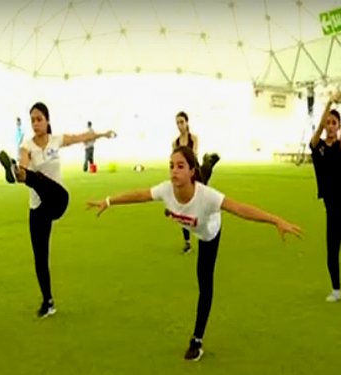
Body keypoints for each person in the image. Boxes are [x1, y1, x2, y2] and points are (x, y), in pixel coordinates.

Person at [86, 146, 302, 361]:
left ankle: (197, 340)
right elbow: (141, 195)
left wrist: (276, 220)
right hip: (190, 220)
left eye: (180, 166)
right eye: (171, 166)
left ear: (191, 171)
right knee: (185, 203)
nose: (174, 171)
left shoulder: (208, 197)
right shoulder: (166, 190)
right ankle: (204, 169)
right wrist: (108, 201)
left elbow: (239, 209)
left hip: (209, 233)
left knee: (205, 283)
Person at [0, 102, 115, 317]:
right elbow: (25, 161)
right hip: (39, 208)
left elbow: (81, 137)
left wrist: (103, 134)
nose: (35, 124)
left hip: (58, 199)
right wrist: (21, 170)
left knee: (36, 178)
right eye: (32, 120)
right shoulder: (26, 146)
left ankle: (19, 174)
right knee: (40, 257)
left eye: (39, 119)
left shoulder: (56, 140)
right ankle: (48, 301)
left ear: (47, 121)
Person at [309, 92, 341, 302]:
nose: (330, 126)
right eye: (328, 123)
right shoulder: (318, 146)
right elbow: (317, 133)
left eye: (334, 123)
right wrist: (329, 103)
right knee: (332, 246)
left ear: (338, 126)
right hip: (331, 202)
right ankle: (336, 289)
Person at [172, 111, 221, 254]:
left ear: (187, 123)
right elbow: (174, 160)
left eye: (182, 122)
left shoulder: (193, 139)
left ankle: (209, 161)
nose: (180, 125)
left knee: (205, 177)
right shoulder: (175, 142)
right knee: (183, 207)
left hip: (194, 172)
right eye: (177, 123)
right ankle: (187, 242)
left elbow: (193, 156)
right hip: (183, 177)